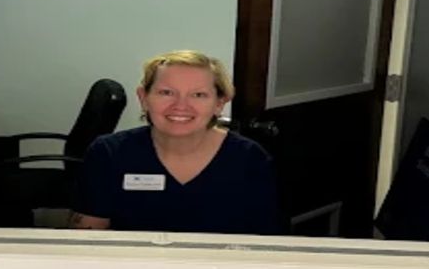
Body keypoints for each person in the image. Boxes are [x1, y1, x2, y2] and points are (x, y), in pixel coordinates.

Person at [69, 50, 281, 235]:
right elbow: (88, 239)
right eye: (166, 92)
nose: (180, 106)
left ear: (219, 103)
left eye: (198, 95)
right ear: (143, 98)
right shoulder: (108, 153)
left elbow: (266, 244)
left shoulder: (250, 159)